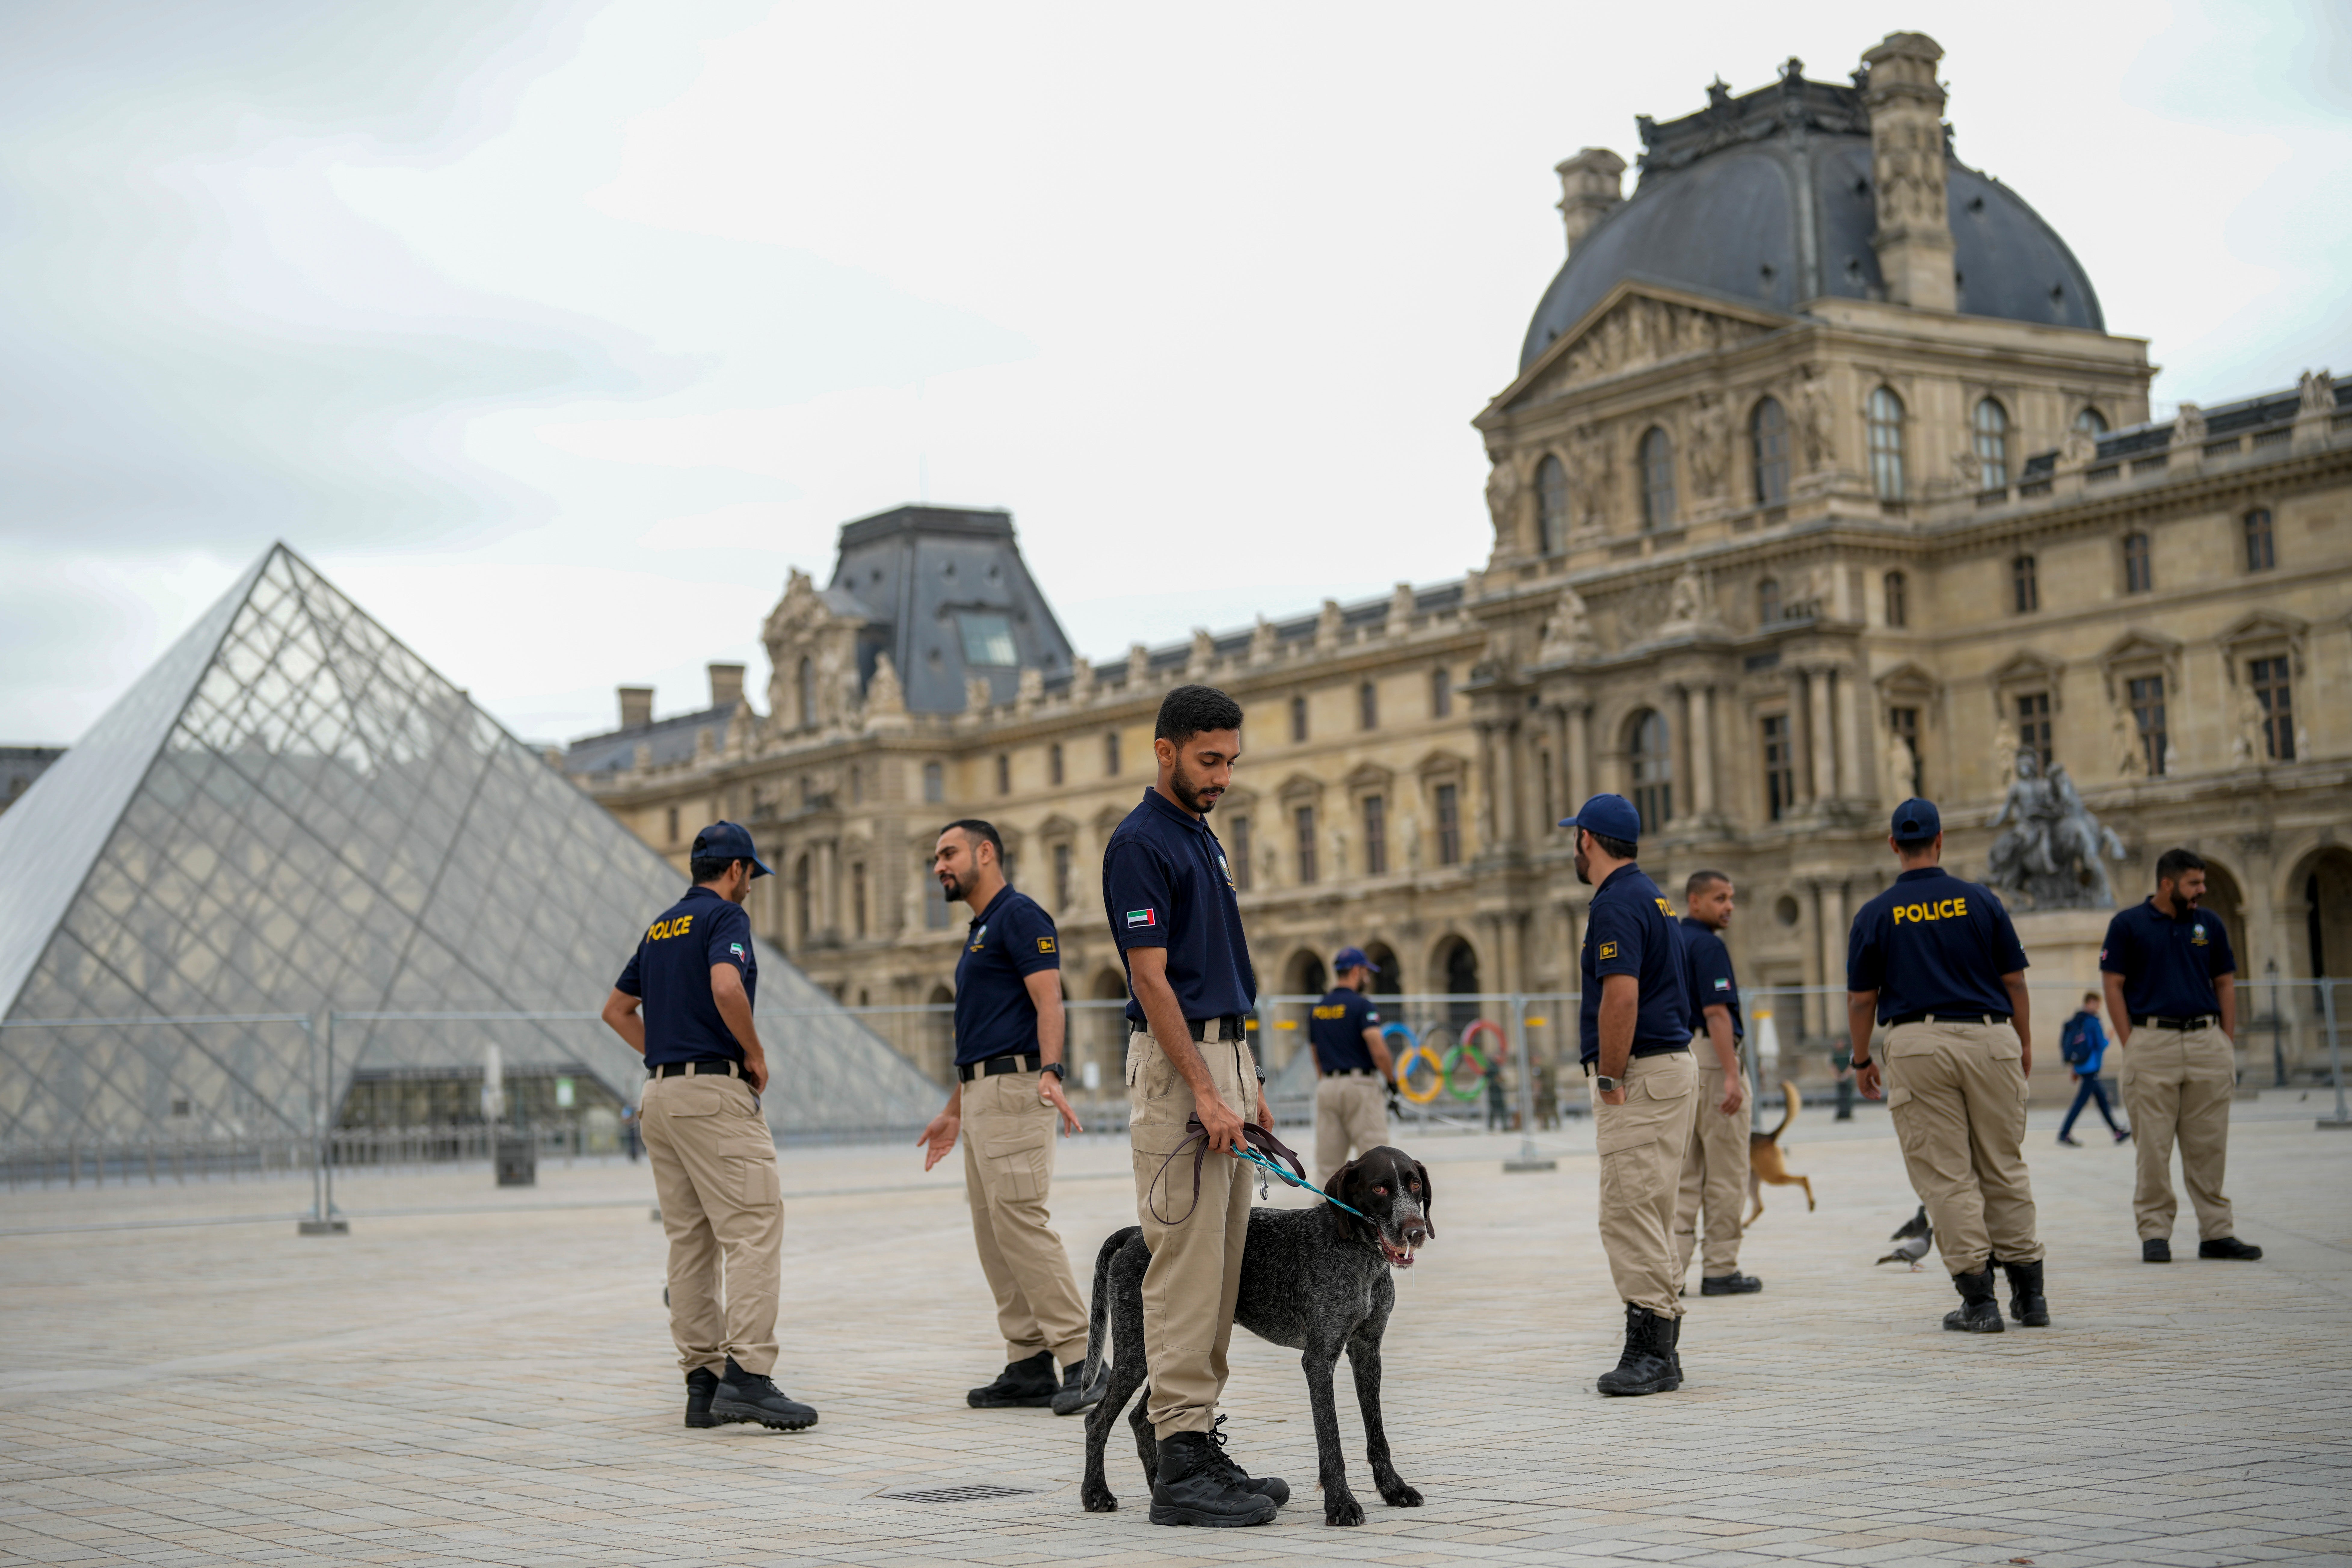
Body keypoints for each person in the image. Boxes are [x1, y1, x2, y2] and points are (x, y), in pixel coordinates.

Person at [1101, 684, 1287, 1528]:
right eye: (1209, 760)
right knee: (1182, 1260)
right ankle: (1178, 1461)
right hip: (1182, 1071)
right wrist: (1208, 1090)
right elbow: (1150, 977)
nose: (1222, 776)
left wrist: (1248, 1085)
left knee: (1221, 1262)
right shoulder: (1140, 843)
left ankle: (1197, 1438)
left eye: (1230, 761)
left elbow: (1219, 972)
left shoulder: (1198, 836)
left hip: (1224, 1057)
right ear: (1165, 749)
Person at [600, 822, 817, 1431]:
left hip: (660, 1096)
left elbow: (615, 1010)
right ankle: (749, 1375)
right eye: (751, 876)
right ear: (736, 870)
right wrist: (753, 1052)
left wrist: (664, 1054)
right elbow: (727, 984)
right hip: (713, 1093)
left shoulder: (662, 925)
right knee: (751, 1230)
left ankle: (704, 1383)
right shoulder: (725, 920)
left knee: (689, 1241)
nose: (750, 887)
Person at [1847, 798, 2046, 1334]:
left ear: (1894, 845)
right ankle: (2032, 1295)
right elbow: (2016, 981)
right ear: (1941, 840)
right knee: (2005, 1164)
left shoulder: (1876, 912)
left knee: (1947, 1175)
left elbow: (1863, 998)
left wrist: (1862, 1056)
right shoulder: (1982, 900)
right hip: (1991, 1036)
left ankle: (1979, 1302)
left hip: (1919, 1042)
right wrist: (2022, 1043)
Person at [914, 819, 1092, 1412]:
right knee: (994, 1231)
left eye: (948, 853)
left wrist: (1052, 1071)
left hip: (1016, 1090)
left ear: (985, 853)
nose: (938, 866)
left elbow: (1049, 999)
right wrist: (952, 1111)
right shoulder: (981, 929)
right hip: (982, 1093)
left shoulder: (1019, 916)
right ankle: (1028, 1359)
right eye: (936, 857)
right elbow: (983, 1037)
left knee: (1019, 1219)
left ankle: (1082, 1358)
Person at [1562, 792, 1698, 1396]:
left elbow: (1621, 996)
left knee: (1628, 1210)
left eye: (1575, 837)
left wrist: (1611, 1077)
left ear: (1587, 840)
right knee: (1652, 1207)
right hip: (1670, 1066)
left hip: (1640, 1072)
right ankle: (1660, 1343)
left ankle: (1650, 1350)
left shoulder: (1616, 903)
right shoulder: (1655, 896)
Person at [2101, 849, 2261, 1263]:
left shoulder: (2208, 924)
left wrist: (2225, 1040)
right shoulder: (2128, 925)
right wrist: (2131, 1041)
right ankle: (2155, 1233)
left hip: (2207, 1043)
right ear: (2168, 883)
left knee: (2209, 1145)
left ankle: (2216, 1232)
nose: (2202, 891)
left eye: (2203, 883)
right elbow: (2113, 984)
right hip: (2152, 1043)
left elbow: (2224, 982)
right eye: (2195, 883)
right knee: (2153, 1147)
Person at [1672, 869, 1757, 1298]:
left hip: (1677, 1060)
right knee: (1726, 1171)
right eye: (1720, 898)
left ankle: (1672, 1272)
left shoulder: (1671, 941)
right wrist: (1730, 1075)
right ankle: (1722, 1268)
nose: (1729, 906)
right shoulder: (1709, 946)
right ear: (1695, 902)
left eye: (1732, 898)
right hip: (1711, 1059)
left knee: (1685, 1174)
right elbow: (1719, 1013)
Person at [1307, 947, 1395, 1188]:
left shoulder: (1319, 1008)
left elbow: (1315, 1053)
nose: (1368, 977)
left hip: (1327, 1085)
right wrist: (1392, 1082)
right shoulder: (1362, 1005)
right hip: (1360, 1086)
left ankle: (1322, 1219)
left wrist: (1327, 1081)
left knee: (1329, 1163)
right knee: (1378, 1159)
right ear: (1357, 971)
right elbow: (1377, 1048)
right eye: (1366, 972)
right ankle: (1381, 1220)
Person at [2055, 991, 2128, 1146]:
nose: (2099, 1007)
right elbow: (2100, 1045)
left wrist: (2074, 1068)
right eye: (2098, 1004)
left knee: (2102, 1100)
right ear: (2092, 1003)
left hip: (2081, 1066)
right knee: (2081, 1101)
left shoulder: (2077, 1019)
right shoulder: (2093, 1022)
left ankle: (2117, 1132)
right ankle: (2064, 1133)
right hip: (2091, 1067)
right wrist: (2109, 1038)